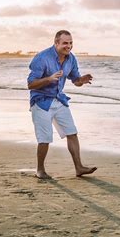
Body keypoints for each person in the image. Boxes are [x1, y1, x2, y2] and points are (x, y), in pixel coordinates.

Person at [27, 30, 97, 179]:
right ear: (56, 43)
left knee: (72, 133)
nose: (69, 46)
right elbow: (30, 84)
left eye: (71, 43)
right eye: (65, 43)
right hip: (40, 102)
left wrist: (81, 81)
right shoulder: (42, 58)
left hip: (58, 99)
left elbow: (75, 80)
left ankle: (79, 167)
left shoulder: (71, 59)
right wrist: (48, 79)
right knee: (45, 138)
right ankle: (40, 170)